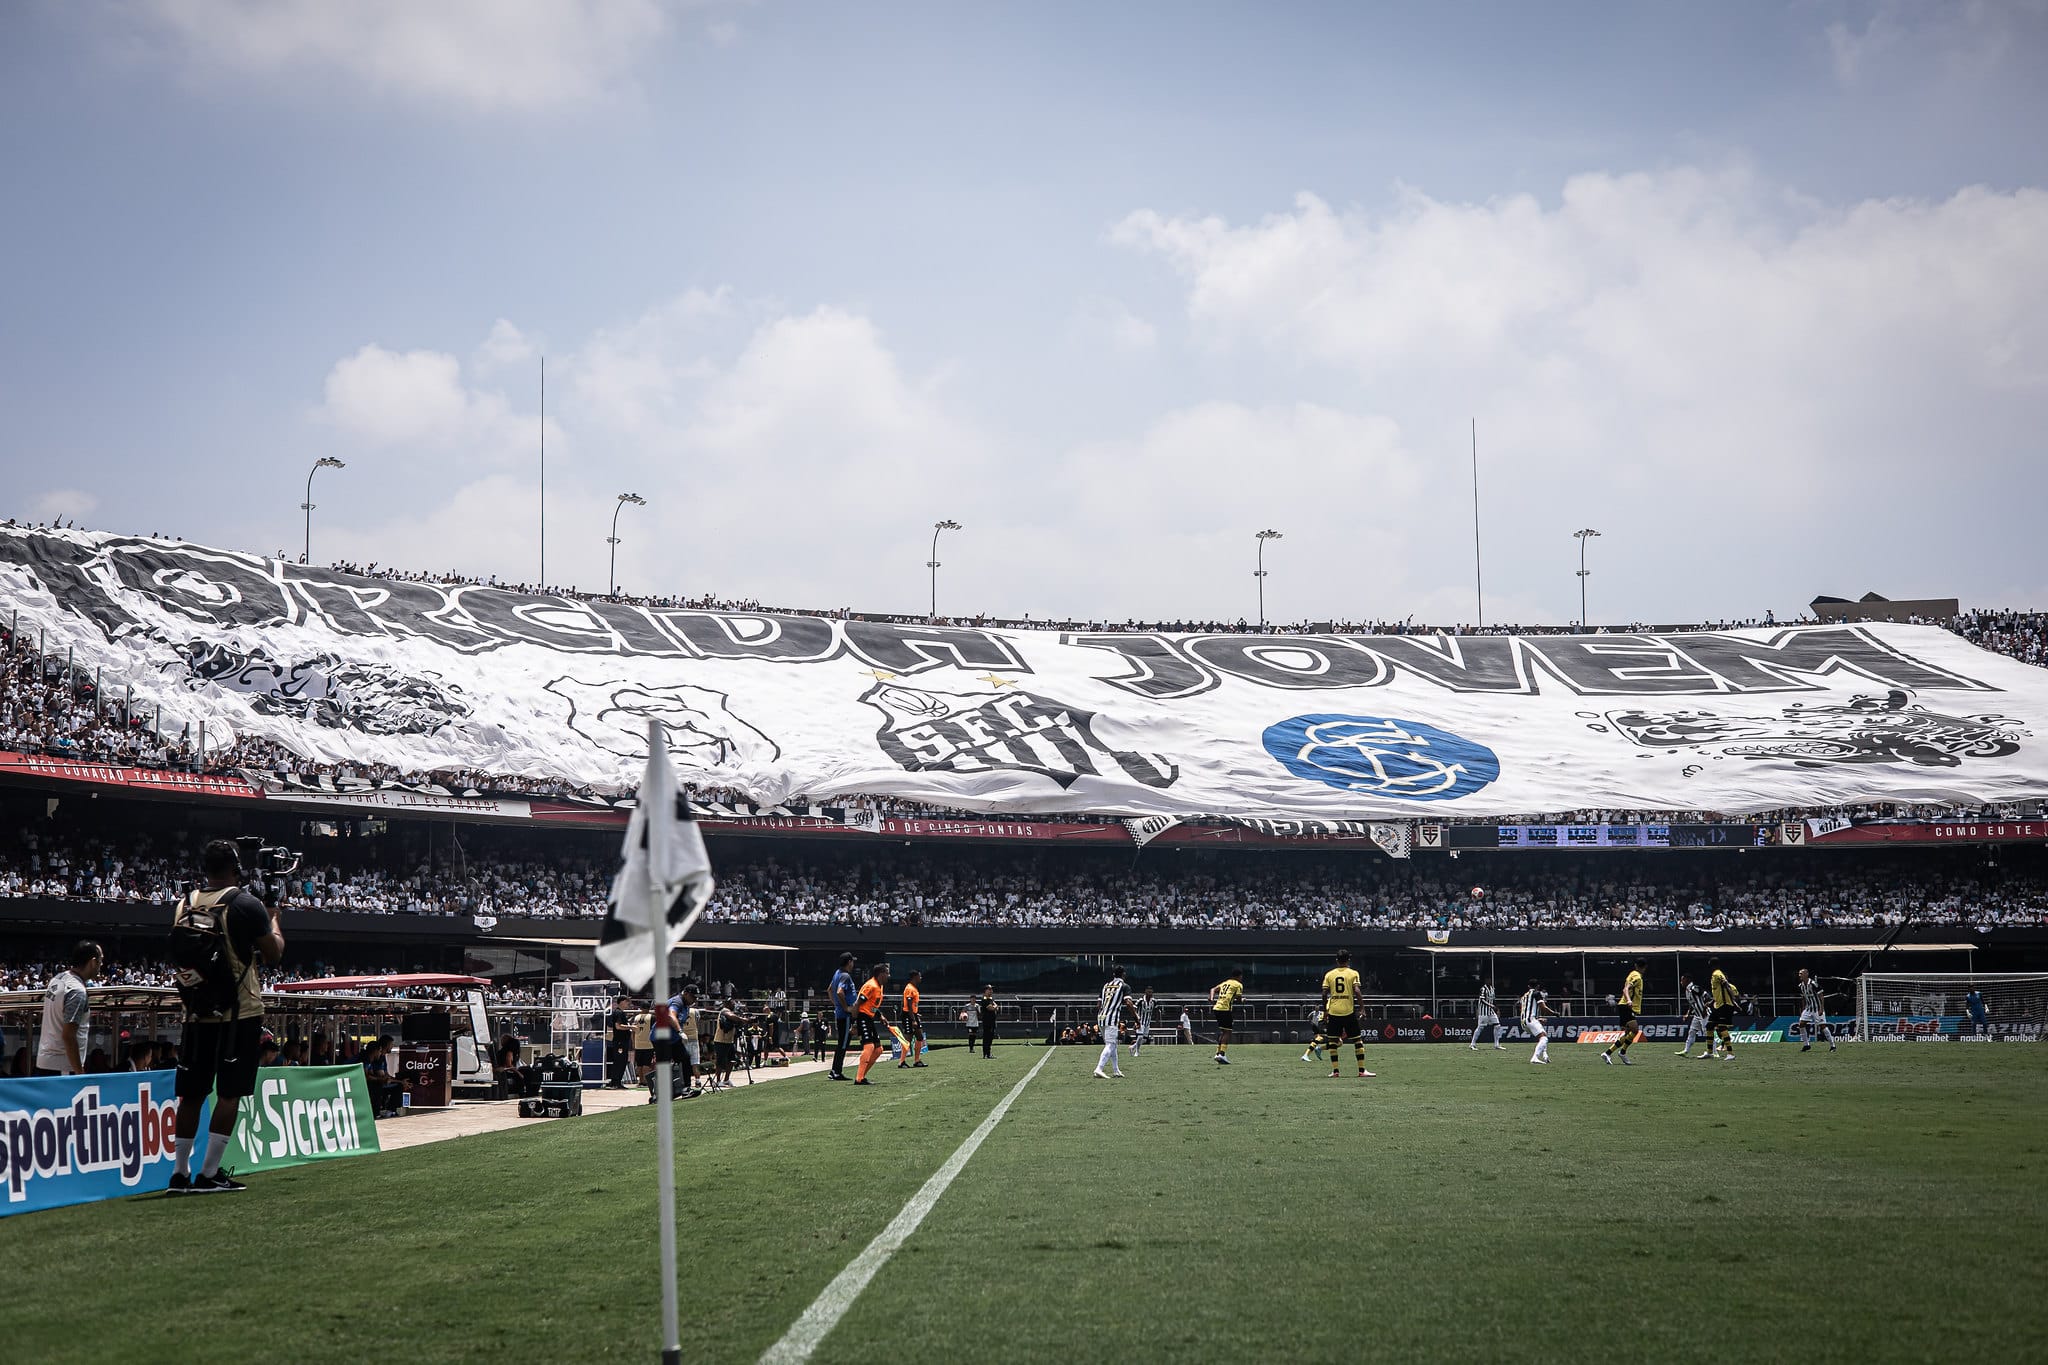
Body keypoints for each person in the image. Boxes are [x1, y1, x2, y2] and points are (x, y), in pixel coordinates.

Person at [169, 840, 285, 1194]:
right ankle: (209, 1172)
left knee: (191, 1095)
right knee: (229, 1094)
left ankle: (179, 1173)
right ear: (236, 867)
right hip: (239, 1012)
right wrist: (275, 919)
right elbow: (273, 954)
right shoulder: (246, 904)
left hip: (195, 1012)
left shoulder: (183, 905)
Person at [34, 939, 101, 1075]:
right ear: (93, 962)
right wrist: (79, 1073)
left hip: (45, 1061)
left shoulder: (57, 979)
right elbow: (68, 1035)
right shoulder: (77, 991)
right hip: (62, 1067)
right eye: (101, 961)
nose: (101, 965)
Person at [1320, 949, 1373, 1078]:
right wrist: (1362, 1009)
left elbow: (1324, 994)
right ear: (1348, 960)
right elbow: (1357, 991)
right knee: (1357, 1040)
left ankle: (1335, 1071)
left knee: (1333, 1042)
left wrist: (1326, 1011)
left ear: (1337, 960)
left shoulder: (1329, 974)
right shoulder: (1353, 973)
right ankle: (1362, 1071)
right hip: (1348, 1011)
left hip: (1334, 1012)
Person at [1092, 966, 1136, 1079]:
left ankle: (1116, 1070)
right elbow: (1129, 1003)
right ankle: (1099, 1068)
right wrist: (1136, 1018)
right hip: (1112, 1018)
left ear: (1113, 975)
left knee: (1113, 1045)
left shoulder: (1105, 985)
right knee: (1110, 1044)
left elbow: (1098, 1005)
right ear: (1124, 975)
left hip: (1101, 1017)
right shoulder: (1124, 986)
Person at [852, 963, 891, 1085]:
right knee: (869, 1047)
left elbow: (871, 1006)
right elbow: (858, 1003)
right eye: (887, 973)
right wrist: (855, 1022)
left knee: (878, 1049)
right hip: (862, 1017)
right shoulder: (871, 986)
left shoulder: (879, 987)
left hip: (869, 1018)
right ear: (880, 974)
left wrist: (880, 1016)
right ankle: (859, 1078)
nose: (889, 976)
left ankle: (862, 1076)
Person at [1603, 960, 1646, 1066]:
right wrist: (1629, 1000)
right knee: (1635, 1030)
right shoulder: (1638, 978)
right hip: (1627, 1006)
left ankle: (1608, 1053)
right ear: (1645, 967)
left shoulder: (1631, 974)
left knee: (1627, 1034)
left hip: (1624, 1006)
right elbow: (1626, 989)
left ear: (1635, 965)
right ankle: (1621, 1052)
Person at [1702, 959, 1740, 1061]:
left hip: (1724, 1005)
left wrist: (1733, 1001)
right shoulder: (1715, 975)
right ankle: (1710, 1052)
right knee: (1709, 1026)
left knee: (1722, 1027)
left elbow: (1726, 985)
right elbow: (1718, 992)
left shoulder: (1717, 974)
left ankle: (1730, 1053)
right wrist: (1711, 1003)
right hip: (1717, 1005)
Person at [828, 954, 857, 1080]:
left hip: (841, 1013)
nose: (853, 965)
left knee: (842, 1042)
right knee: (843, 1043)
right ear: (849, 962)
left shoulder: (837, 973)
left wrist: (836, 1005)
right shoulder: (845, 975)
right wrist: (845, 1007)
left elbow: (829, 989)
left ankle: (835, 1070)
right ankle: (836, 1071)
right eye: (852, 962)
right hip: (845, 1015)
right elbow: (840, 991)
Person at [1797, 969, 1838, 1052]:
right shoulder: (1800, 986)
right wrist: (1803, 1009)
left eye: (1801, 973)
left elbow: (1821, 996)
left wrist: (1821, 1009)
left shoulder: (1813, 984)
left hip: (1817, 1008)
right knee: (1801, 1024)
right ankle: (1806, 1045)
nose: (1799, 975)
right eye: (1799, 974)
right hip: (1808, 1009)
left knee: (1822, 1026)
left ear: (1806, 974)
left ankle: (1833, 1045)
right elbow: (1803, 998)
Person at [1208, 971, 1244, 1064]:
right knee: (1228, 1032)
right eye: (1241, 976)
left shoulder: (1225, 983)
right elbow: (1239, 999)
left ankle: (1217, 1053)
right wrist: (1243, 1000)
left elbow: (1212, 989)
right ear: (1239, 976)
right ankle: (1222, 1054)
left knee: (1223, 1031)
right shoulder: (1238, 985)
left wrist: (1211, 998)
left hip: (1217, 1008)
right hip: (1225, 1009)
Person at [1518, 980, 1557, 1065]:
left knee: (1543, 1035)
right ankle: (1535, 1058)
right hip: (1530, 1020)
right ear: (1538, 986)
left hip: (1523, 1022)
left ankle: (1545, 1055)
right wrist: (1554, 1013)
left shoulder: (1524, 996)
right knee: (1544, 1038)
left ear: (1528, 986)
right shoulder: (1536, 993)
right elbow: (1543, 1007)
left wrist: (1537, 1019)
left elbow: (1523, 1010)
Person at [604, 996, 636, 1088]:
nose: (628, 1004)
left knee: (622, 1061)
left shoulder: (620, 1012)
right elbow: (618, 1026)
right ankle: (615, 1082)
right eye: (626, 1002)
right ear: (621, 1002)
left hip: (622, 1041)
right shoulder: (618, 1012)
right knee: (619, 1061)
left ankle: (617, 1081)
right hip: (620, 1042)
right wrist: (630, 1027)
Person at [1676, 974, 1710, 1057]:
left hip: (1704, 1014)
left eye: (1682, 980)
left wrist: (1705, 1008)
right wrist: (1688, 1013)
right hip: (1697, 1015)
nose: (1681, 982)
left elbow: (1707, 996)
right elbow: (1692, 1004)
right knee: (1692, 1031)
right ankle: (1686, 1050)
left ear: (1687, 980)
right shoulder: (1687, 991)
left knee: (1708, 1033)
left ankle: (1714, 1052)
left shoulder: (1693, 988)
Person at [898, 971, 926, 1069]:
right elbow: (908, 1005)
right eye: (919, 976)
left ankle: (917, 1060)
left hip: (912, 1014)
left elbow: (912, 1005)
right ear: (915, 977)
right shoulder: (909, 988)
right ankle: (901, 1062)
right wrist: (913, 1019)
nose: (920, 978)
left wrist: (915, 1013)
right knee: (908, 1038)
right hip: (908, 1015)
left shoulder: (913, 988)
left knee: (920, 1036)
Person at [1469, 981, 1507, 1052]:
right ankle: (1472, 1044)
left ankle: (1496, 1044)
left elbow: (1493, 1000)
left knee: (1497, 1026)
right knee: (1480, 1027)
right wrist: (1491, 1005)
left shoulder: (1492, 989)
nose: (1489, 981)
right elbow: (1482, 1000)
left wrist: (1497, 1008)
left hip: (1491, 1011)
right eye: (1488, 979)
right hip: (1483, 1012)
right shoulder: (1483, 989)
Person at [631, 1000, 656, 1086]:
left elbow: (633, 1031)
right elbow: (654, 1031)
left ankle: (640, 1081)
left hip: (638, 1044)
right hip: (648, 1044)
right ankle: (645, 1081)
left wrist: (633, 1042)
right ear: (649, 1008)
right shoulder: (652, 1017)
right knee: (646, 1064)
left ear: (641, 1008)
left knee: (639, 1064)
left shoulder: (636, 1017)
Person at [1130, 987, 1155, 1056]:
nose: (1150, 994)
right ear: (1145, 992)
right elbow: (1133, 1009)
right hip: (1140, 1022)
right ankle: (1137, 1052)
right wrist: (1136, 1019)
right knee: (1140, 1037)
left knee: (1144, 1040)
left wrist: (1157, 1019)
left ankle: (1132, 1047)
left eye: (1151, 992)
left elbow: (1156, 1010)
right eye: (1149, 992)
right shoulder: (1140, 1001)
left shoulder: (1153, 1001)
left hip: (1147, 1022)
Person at [975, 985, 998, 1058]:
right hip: (987, 1021)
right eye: (989, 989)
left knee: (990, 1037)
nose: (991, 991)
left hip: (992, 1020)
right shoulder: (984, 999)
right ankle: (986, 1053)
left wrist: (995, 1007)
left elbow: (996, 1007)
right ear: (985, 991)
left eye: (991, 989)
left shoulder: (990, 999)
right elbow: (991, 1008)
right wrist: (995, 1007)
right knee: (987, 1037)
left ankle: (988, 1053)